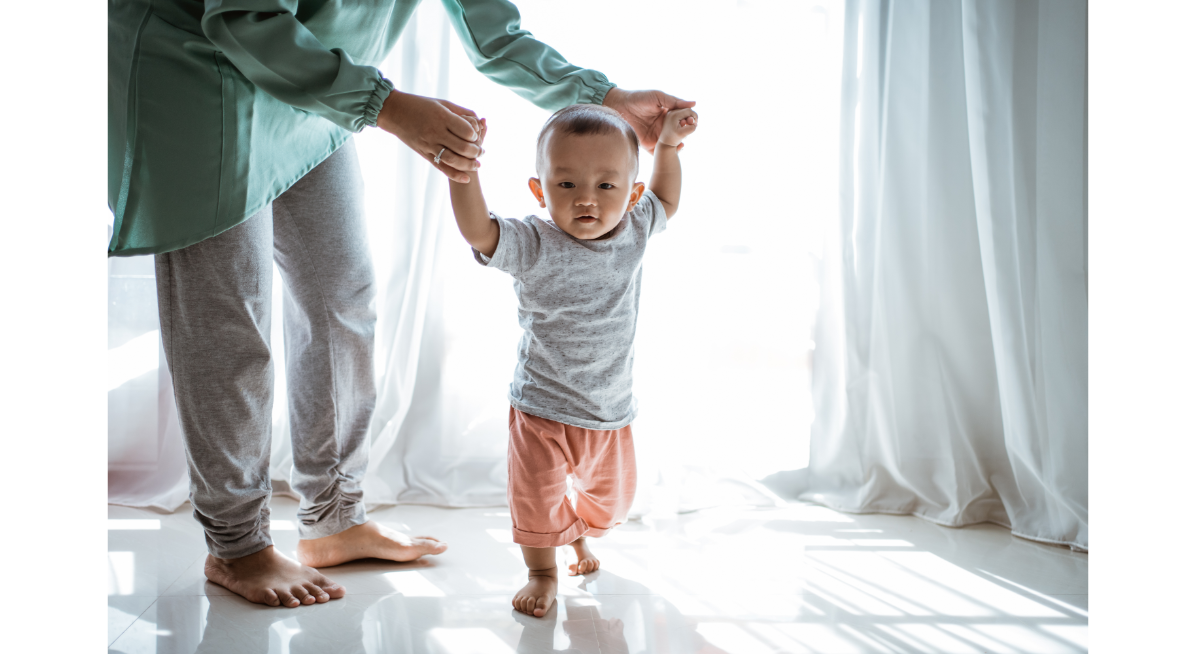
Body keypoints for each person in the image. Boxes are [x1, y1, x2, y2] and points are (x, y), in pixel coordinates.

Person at [108, 0, 695, 609]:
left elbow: (492, 30)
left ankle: (334, 516)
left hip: (318, 82)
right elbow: (243, 18)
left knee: (341, 296)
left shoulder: (634, 222)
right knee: (230, 314)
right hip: (202, 70)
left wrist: (602, 95)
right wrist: (386, 106)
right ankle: (237, 545)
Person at [447, 103, 699, 617]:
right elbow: (479, 232)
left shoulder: (634, 229)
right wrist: (464, 171)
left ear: (630, 195)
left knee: (611, 504)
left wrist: (668, 147)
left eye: (606, 186)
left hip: (609, 409)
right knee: (536, 496)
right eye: (566, 186)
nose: (586, 199)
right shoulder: (533, 242)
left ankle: (579, 534)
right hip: (541, 407)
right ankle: (542, 568)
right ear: (540, 191)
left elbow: (666, 197)